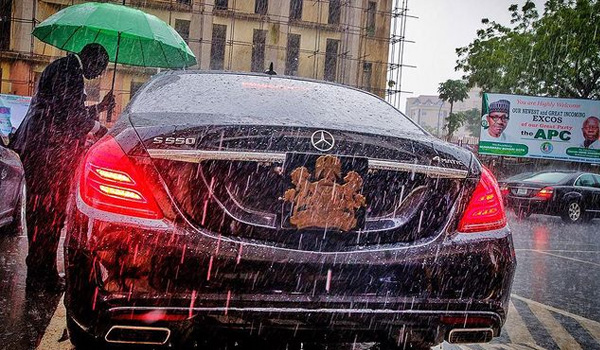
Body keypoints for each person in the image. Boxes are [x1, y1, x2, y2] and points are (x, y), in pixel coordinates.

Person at [10, 43, 114, 291]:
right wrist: (102, 131)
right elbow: (70, 118)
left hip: (44, 151)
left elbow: (65, 109)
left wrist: (99, 108)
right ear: (92, 60)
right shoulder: (69, 72)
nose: (98, 75)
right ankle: (40, 273)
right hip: (48, 153)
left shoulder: (64, 69)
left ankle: (40, 270)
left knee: (45, 214)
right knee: (48, 214)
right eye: (100, 69)